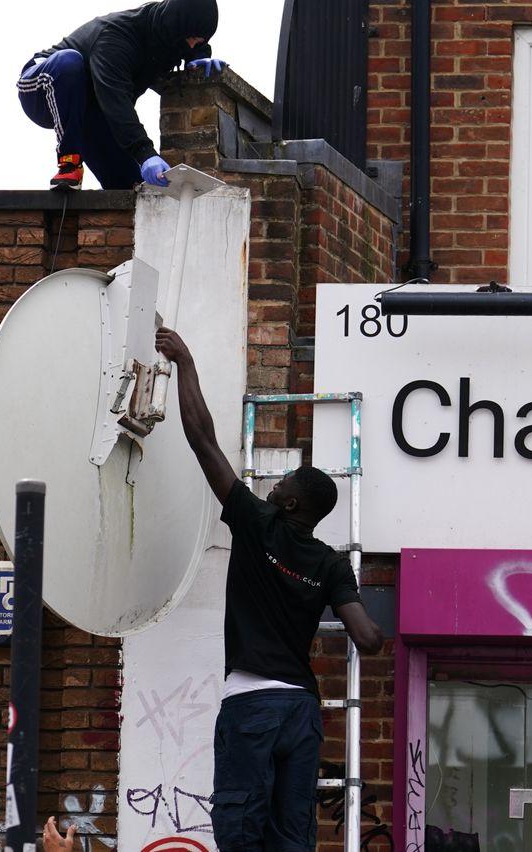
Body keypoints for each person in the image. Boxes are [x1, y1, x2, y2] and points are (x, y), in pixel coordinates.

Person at [154, 326, 384, 852]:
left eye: (281, 485)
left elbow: (202, 439)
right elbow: (367, 638)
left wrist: (185, 361)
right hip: (301, 713)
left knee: (240, 831)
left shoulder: (258, 524)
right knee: (292, 837)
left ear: (291, 504)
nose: (272, 485)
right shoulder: (329, 564)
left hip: (252, 704)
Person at [18, 0, 227, 191]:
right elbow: (116, 99)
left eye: (197, 41)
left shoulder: (172, 39)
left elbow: (193, 45)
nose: (191, 45)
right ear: (177, 24)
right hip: (43, 85)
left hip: (90, 108)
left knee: (130, 187)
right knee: (70, 62)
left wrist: (199, 57)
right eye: (191, 38)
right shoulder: (117, 38)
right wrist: (145, 152)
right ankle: (69, 163)